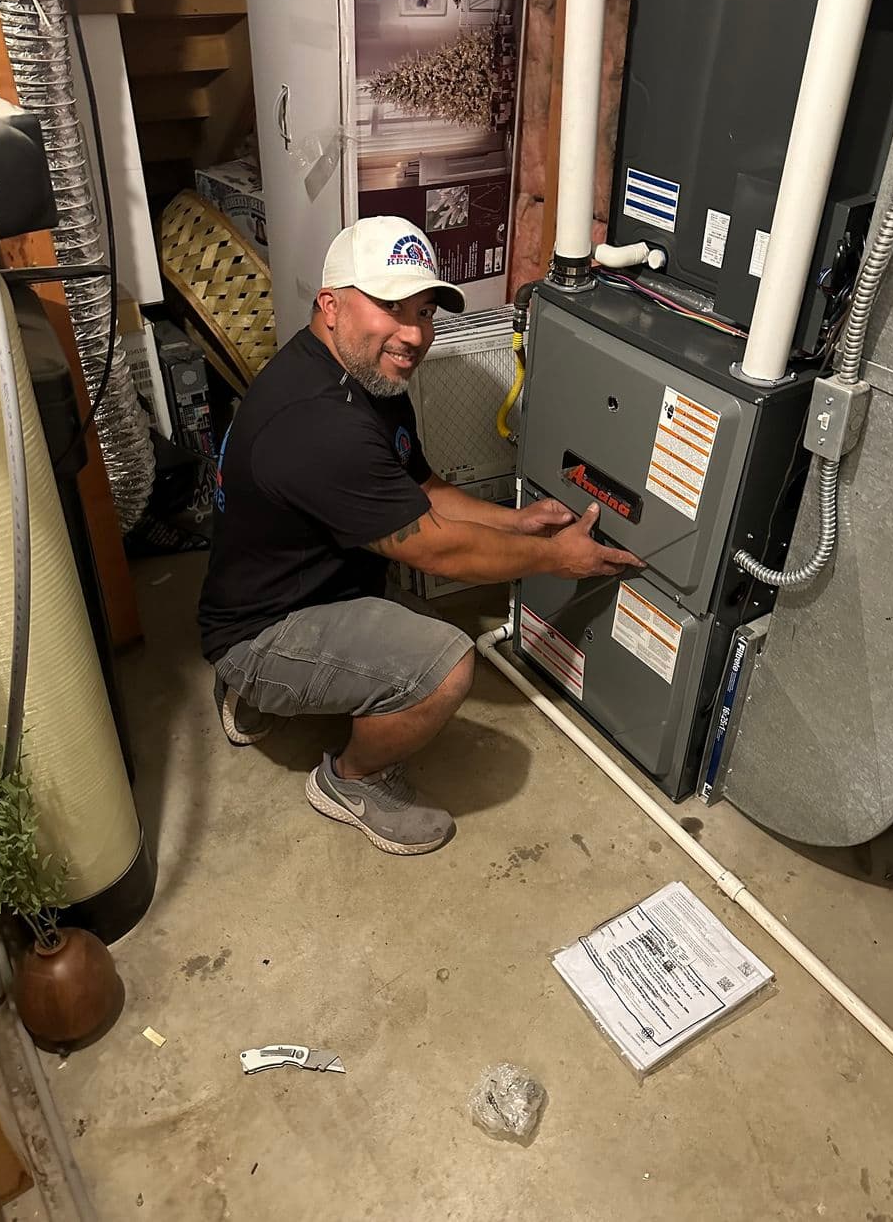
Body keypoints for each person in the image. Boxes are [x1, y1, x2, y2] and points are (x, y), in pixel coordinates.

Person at [198, 216, 643, 856]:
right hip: (262, 627)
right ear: (330, 304)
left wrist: (516, 521)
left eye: (424, 310)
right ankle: (349, 779)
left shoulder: (365, 378)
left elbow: (424, 489)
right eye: (389, 307)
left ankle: (268, 686)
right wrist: (554, 557)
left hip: (274, 585)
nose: (413, 334)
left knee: (407, 619)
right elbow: (438, 547)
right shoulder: (319, 425)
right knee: (444, 667)